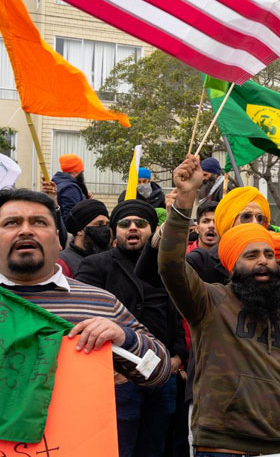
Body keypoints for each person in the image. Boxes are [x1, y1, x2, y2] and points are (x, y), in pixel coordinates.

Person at [159, 155, 280, 454]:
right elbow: (170, 266)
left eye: (268, 255)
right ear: (232, 265)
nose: (263, 262)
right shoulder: (209, 302)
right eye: (251, 255)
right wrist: (185, 198)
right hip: (221, 446)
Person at [0, 188, 170, 386]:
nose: (26, 231)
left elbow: (159, 370)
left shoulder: (101, 303)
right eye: (11, 223)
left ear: (58, 239)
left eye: (39, 222)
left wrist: (125, 338)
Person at [76, 199, 186, 457]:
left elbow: (176, 314)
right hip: (117, 379)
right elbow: (83, 317)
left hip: (161, 375)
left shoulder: (166, 269)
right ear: (115, 231)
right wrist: (110, 369)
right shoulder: (96, 265)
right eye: (125, 224)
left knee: (156, 447)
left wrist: (178, 356)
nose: (133, 228)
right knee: (118, 448)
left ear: (152, 229)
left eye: (141, 223)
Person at [186, 186, 270, 285]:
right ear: (229, 221)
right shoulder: (199, 262)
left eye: (260, 218)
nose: (255, 223)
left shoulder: (269, 263)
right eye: (246, 217)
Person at [59, 199, 111, 276]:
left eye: (107, 224)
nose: (105, 228)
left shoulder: (111, 258)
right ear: (79, 230)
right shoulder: (63, 263)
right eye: (99, 224)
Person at [53, 154, 90, 220]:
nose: (82, 173)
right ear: (75, 171)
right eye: (81, 171)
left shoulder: (59, 183)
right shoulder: (70, 188)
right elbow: (71, 217)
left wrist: (86, 200)